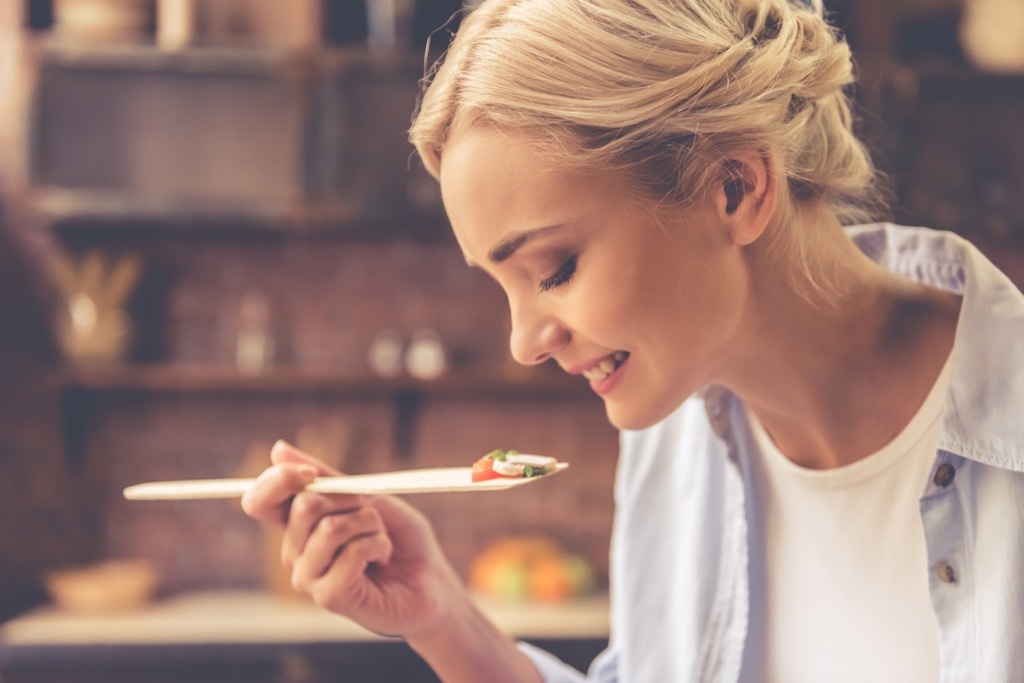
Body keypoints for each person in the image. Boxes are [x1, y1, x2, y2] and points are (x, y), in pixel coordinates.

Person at [242, 0, 1024, 680]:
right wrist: (440, 612)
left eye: (554, 267)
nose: (524, 342)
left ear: (734, 186)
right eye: (500, 282)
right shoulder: (675, 424)